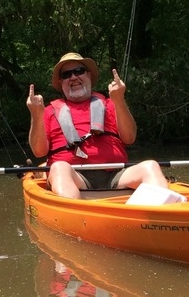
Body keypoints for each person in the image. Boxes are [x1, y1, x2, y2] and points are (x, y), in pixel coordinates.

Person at [26, 51, 172, 198]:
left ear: (88, 75)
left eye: (79, 71)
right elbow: (39, 151)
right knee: (59, 168)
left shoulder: (111, 103)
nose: (74, 77)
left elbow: (129, 138)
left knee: (151, 166)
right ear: (61, 82)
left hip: (116, 175)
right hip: (74, 176)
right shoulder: (49, 111)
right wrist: (36, 114)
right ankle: (75, 215)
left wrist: (119, 99)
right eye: (66, 74)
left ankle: (162, 215)